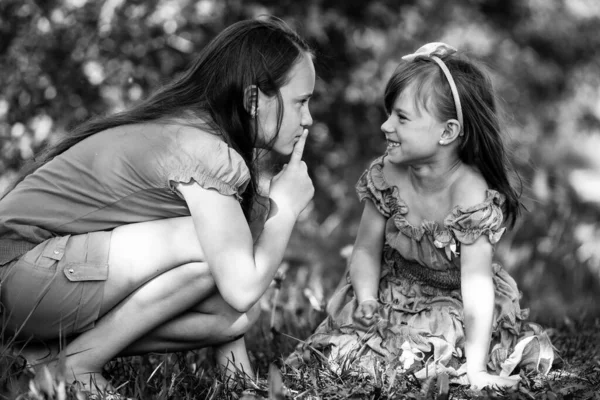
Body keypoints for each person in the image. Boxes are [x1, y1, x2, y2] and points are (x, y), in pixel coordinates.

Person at [0, 16, 315, 394]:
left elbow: (233, 305)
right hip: (19, 274)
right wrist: (285, 208)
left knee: (231, 318)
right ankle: (76, 364)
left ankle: (39, 356)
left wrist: (242, 384)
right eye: (301, 103)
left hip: (31, 288)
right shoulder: (203, 150)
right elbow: (243, 285)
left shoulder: (193, 135)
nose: (308, 120)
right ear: (252, 100)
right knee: (219, 254)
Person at [287, 43, 554, 390]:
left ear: (447, 132)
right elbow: (366, 249)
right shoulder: (387, 175)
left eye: (401, 117)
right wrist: (367, 297)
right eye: (389, 114)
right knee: (347, 351)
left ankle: (462, 361)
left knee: (440, 355)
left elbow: (475, 285)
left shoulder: (469, 191)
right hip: (392, 291)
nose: (385, 126)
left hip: (453, 299)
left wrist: (476, 369)